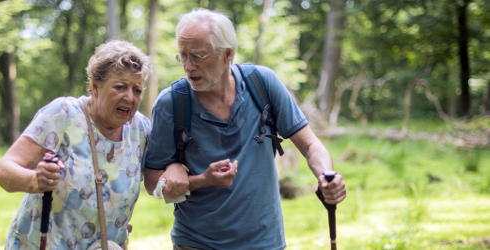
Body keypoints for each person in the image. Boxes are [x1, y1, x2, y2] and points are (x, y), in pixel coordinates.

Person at [143, 8, 347, 250]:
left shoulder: (262, 84)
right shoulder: (171, 104)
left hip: (265, 243)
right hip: (197, 244)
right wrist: (200, 180)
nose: (188, 67)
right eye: (183, 57)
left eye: (197, 57)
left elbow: (310, 144)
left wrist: (325, 176)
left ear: (227, 54)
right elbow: (151, 181)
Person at [0, 40, 151, 250]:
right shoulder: (63, 114)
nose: (129, 97)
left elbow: (157, 177)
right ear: (95, 87)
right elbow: (3, 171)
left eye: (137, 90)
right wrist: (34, 180)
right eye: (120, 87)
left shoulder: (140, 129)